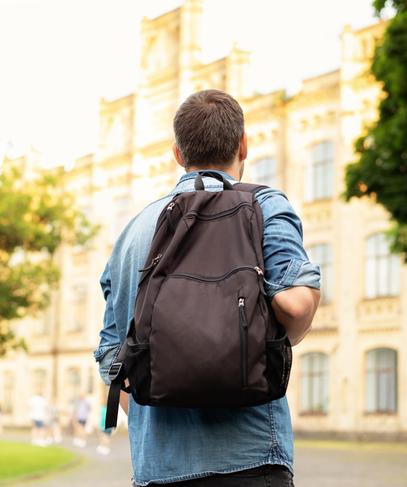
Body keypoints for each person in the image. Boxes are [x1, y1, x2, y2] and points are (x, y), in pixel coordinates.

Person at [94, 89, 320, 486]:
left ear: (178, 154)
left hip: (158, 469)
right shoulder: (263, 206)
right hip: (250, 459)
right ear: (243, 145)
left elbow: (112, 357)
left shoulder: (134, 232)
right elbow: (297, 305)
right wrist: (287, 337)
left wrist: (159, 402)